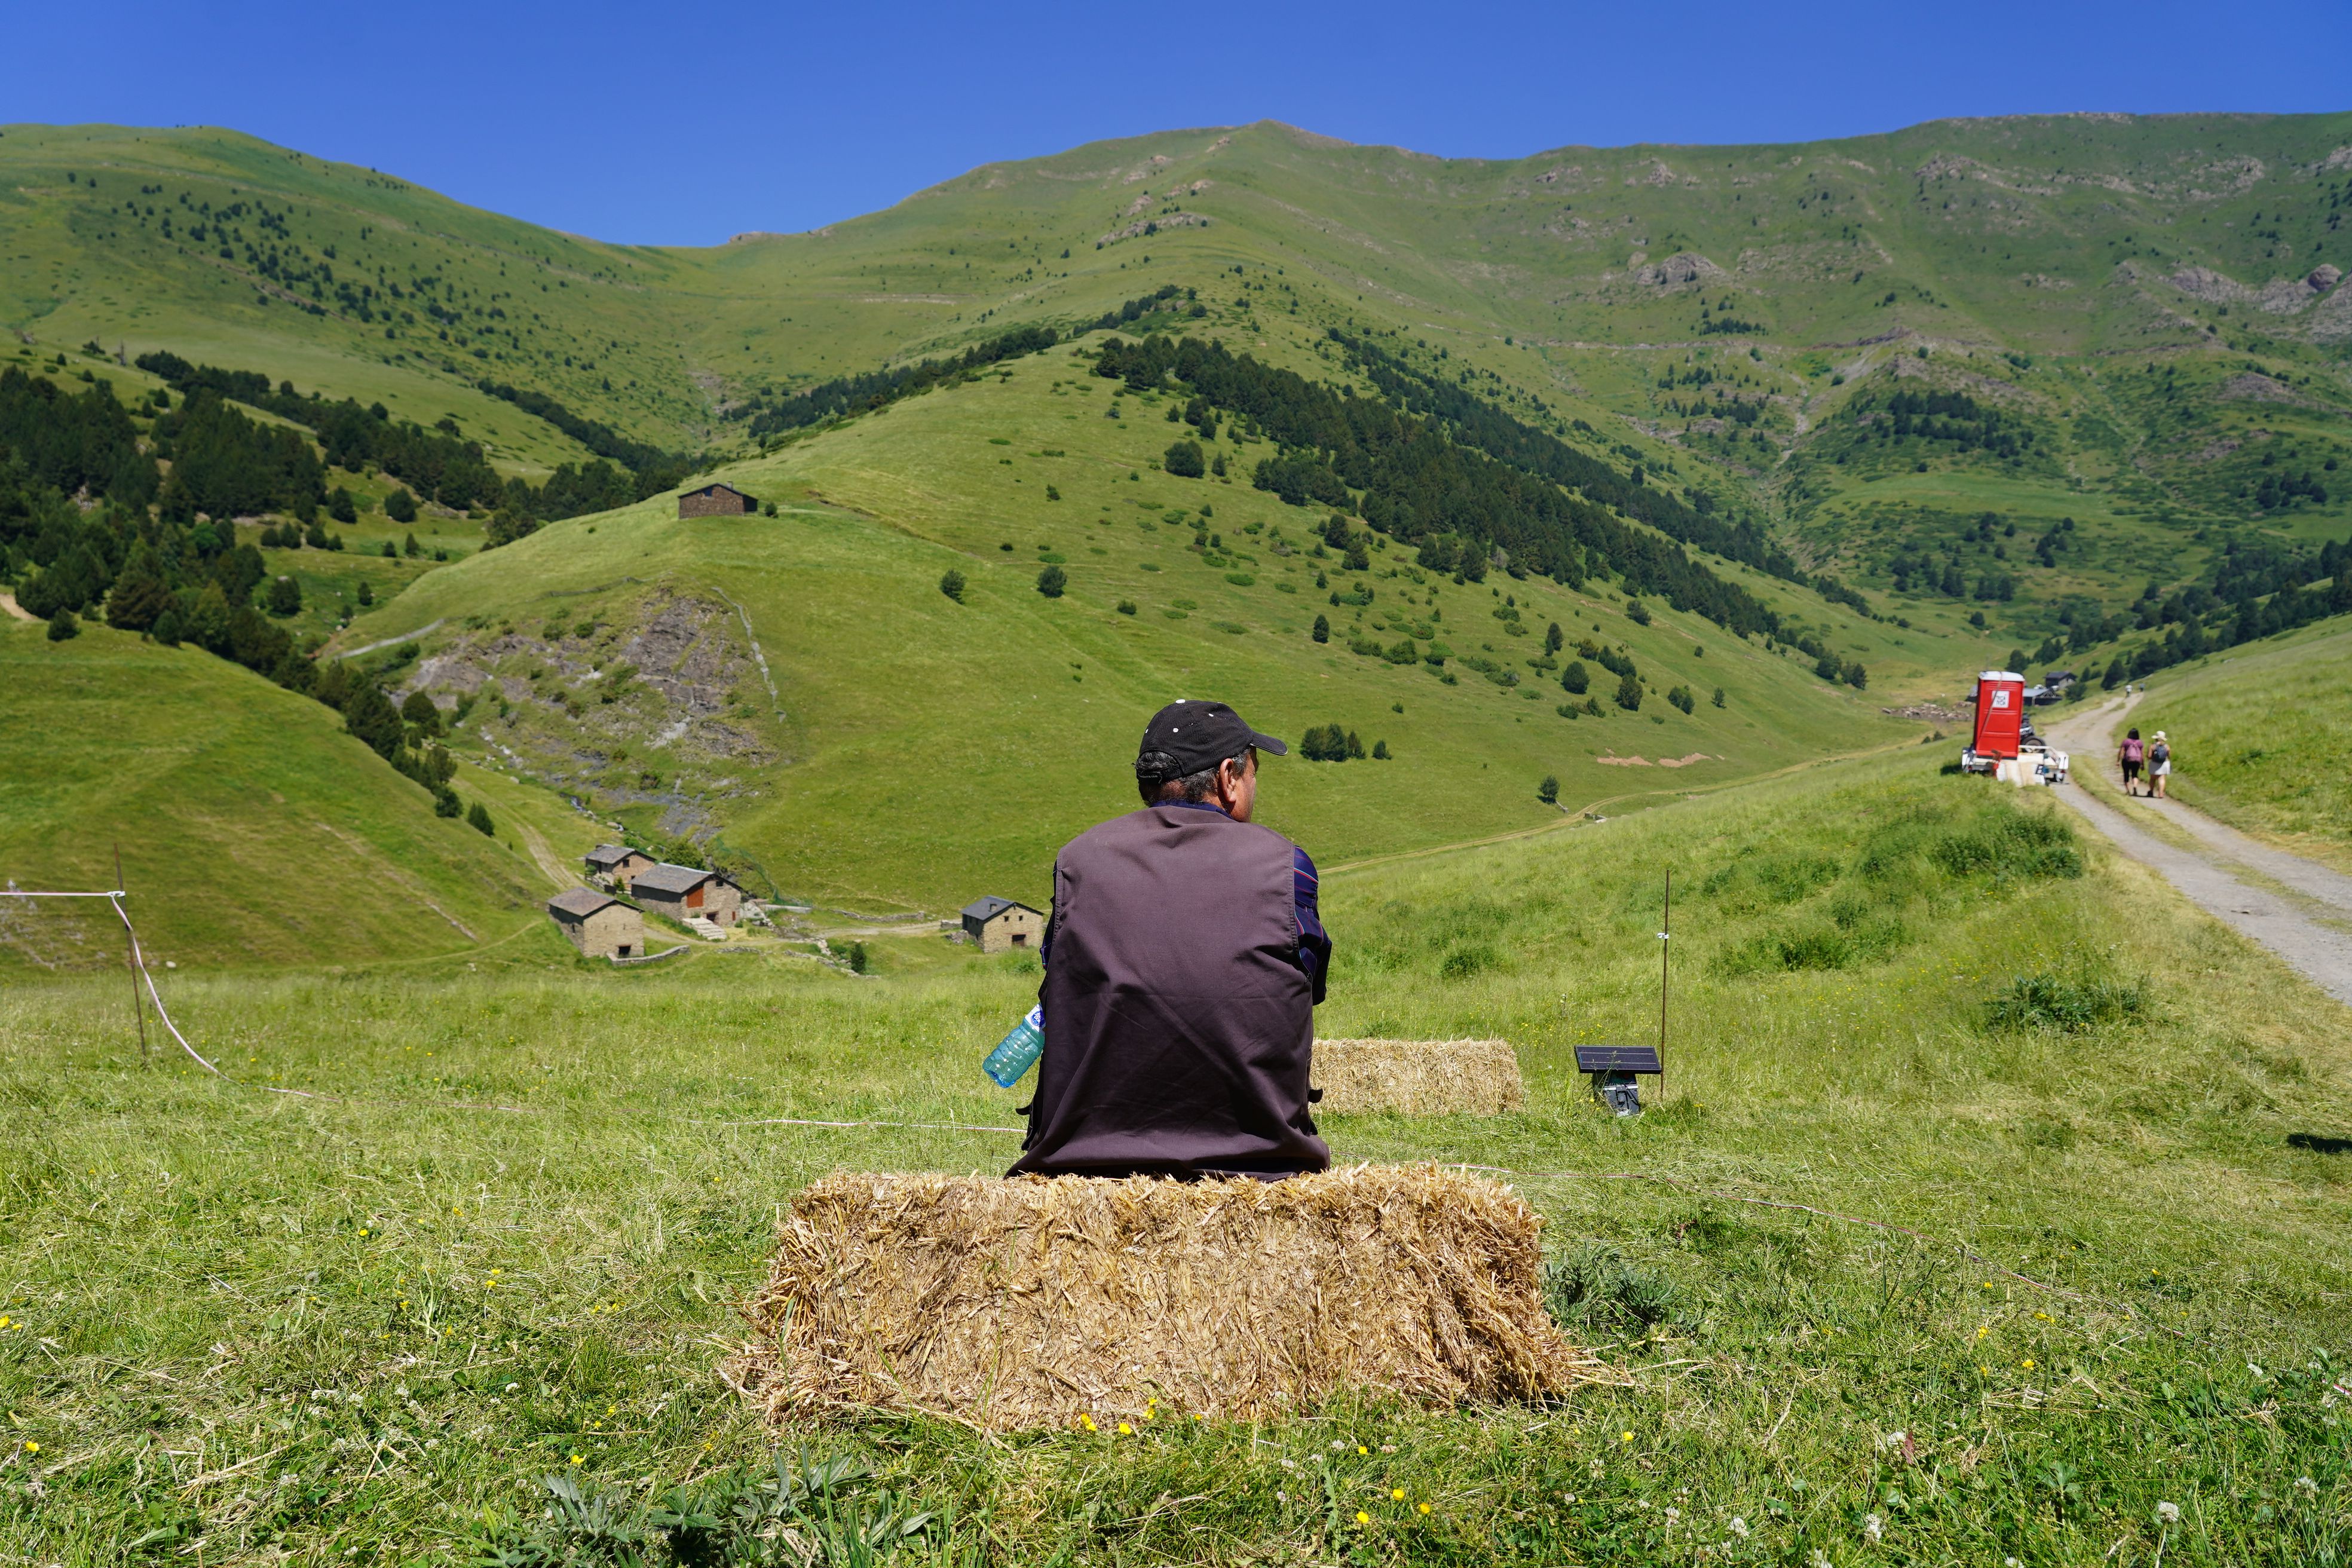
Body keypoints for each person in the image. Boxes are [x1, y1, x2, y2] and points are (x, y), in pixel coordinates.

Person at [1009, 699, 1333, 1181]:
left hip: (1083, 1163)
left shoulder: (1077, 861)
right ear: (1228, 777)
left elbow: (1061, 977)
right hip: (1259, 1161)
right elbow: (1309, 986)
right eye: (1253, 772)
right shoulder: (1287, 866)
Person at [2119, 728, 2145, 797]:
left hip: (2126, 760)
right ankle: (2135, 786)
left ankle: (2128, 791)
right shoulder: (2140, 742)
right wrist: (2142, 764)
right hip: (2137, 761)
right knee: (2135, 775)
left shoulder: (2126, 741)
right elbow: (2142, 754)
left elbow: (2121, 752)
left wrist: (2118, 761)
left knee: (2126, 775)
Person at [2149, 730, 2172, 800]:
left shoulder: (2153, 746)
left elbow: (2149, 756)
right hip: (2164, 763)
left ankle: (2151, 792)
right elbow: (2169, 756)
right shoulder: (2167, 746)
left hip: (2154, 763)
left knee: (2153, 779)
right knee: (2162, 778)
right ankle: (2161, 793)